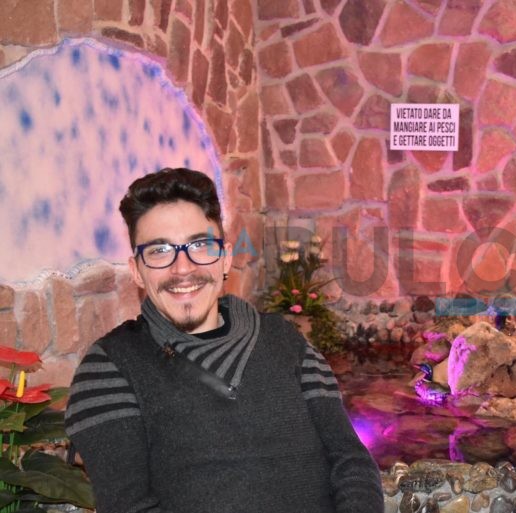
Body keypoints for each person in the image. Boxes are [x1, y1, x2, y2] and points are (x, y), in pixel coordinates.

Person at [64, 168, 384, 513]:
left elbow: (350, 461)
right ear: (137, 270)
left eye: (200, 246)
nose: (183, 268)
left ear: (225, 258)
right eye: (160, 251)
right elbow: (130, 506)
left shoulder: (285, 340)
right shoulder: (109, 368)